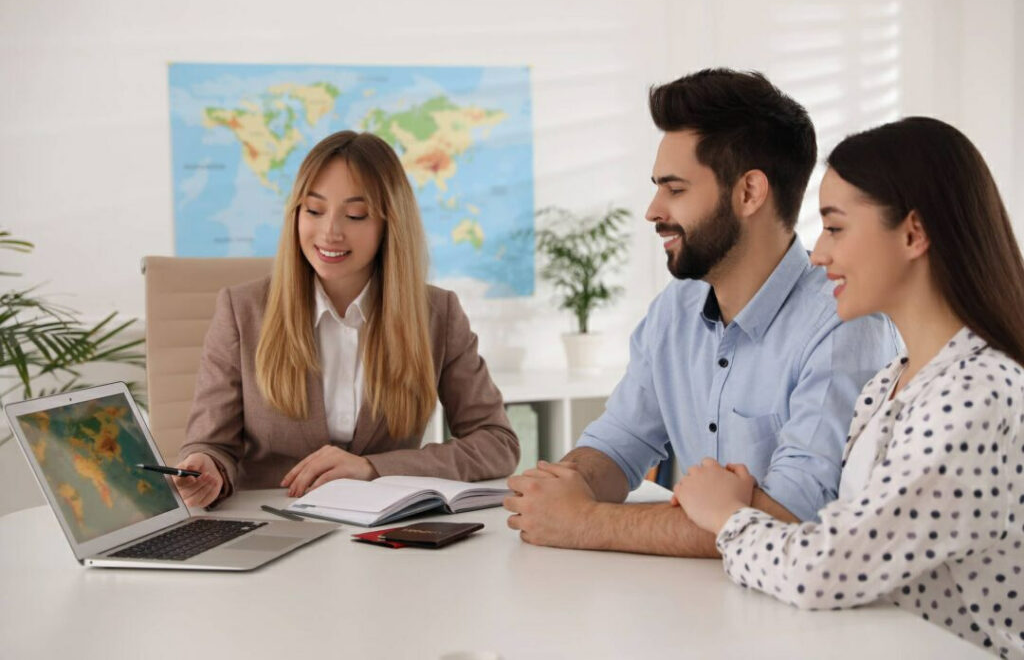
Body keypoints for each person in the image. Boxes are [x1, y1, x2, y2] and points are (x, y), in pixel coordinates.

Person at [504, 68, 900, 556]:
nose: (652, 210)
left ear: (749, 193)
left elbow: (788, 518)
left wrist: (584, 521)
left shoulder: (844, 323)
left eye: (675, 189)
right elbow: (619, 441)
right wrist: (563, 489)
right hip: (696, 606)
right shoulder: (676, 309)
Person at [673, 117, 1024, 658]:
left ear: (913, 233)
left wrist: (726, 515)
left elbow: (828, 566)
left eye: (835, 228)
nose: (817, 255)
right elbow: (839, 536)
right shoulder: (890, 384)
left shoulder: (977, 394)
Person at [174, 130, 519, 507]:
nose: (330, 232)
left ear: (390, 223)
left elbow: (497, 443)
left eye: (355, 215)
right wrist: (205, 466)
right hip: (275, 524)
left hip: (384, 532)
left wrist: (374, 468)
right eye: (314, 210)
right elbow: (211, 444)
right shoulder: (242, 311)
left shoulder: (437, 315)